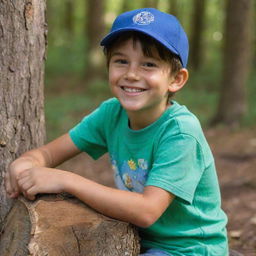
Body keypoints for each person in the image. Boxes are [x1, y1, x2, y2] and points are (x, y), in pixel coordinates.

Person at [5, 8, 228, 256]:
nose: (131, 74)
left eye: (148, 64)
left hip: (189, 248)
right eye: (121, 61)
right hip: (142, 240)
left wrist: (66, 179)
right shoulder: (112, 114)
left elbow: (147, 211)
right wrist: (27, 161)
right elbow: (47, 154)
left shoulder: (180, 132)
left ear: (176, 79)